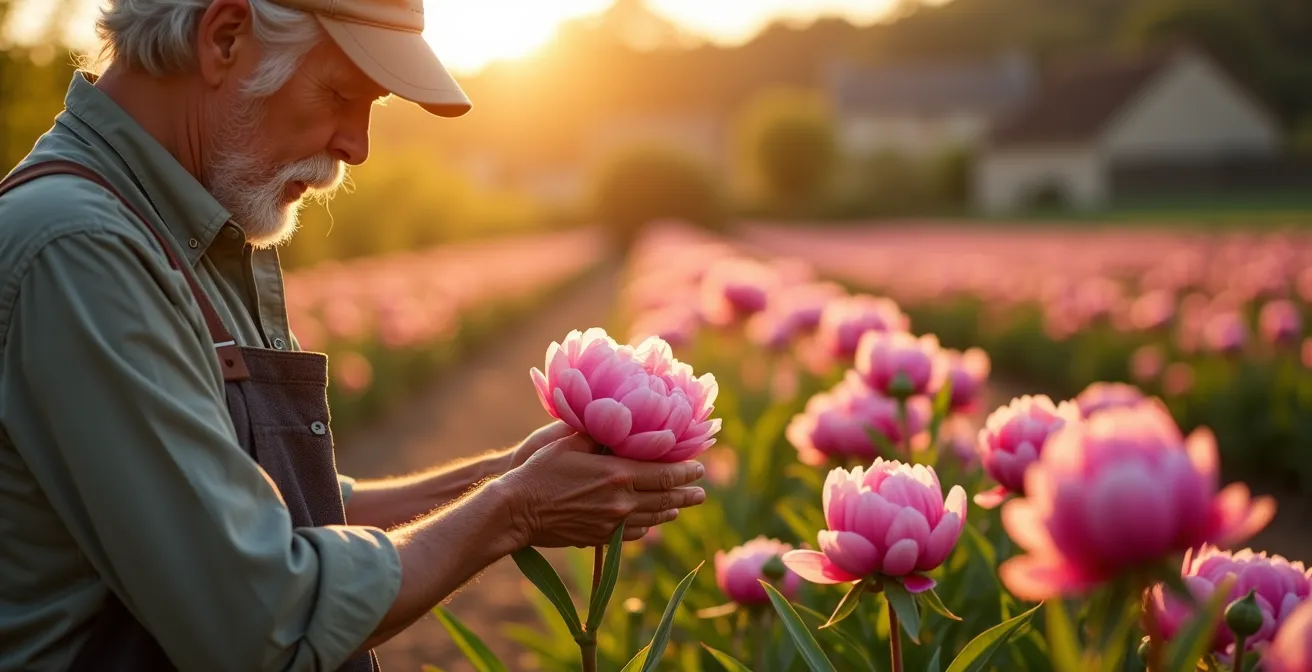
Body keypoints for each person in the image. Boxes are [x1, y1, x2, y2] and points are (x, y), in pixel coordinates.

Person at [0, 1, 707, 670]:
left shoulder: (171, 229)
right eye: (340, 94)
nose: (358, 146)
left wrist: (497, 477)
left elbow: (265, 510)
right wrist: (514, 509)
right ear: (224, 38)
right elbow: (262, 621)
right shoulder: (82, 250)